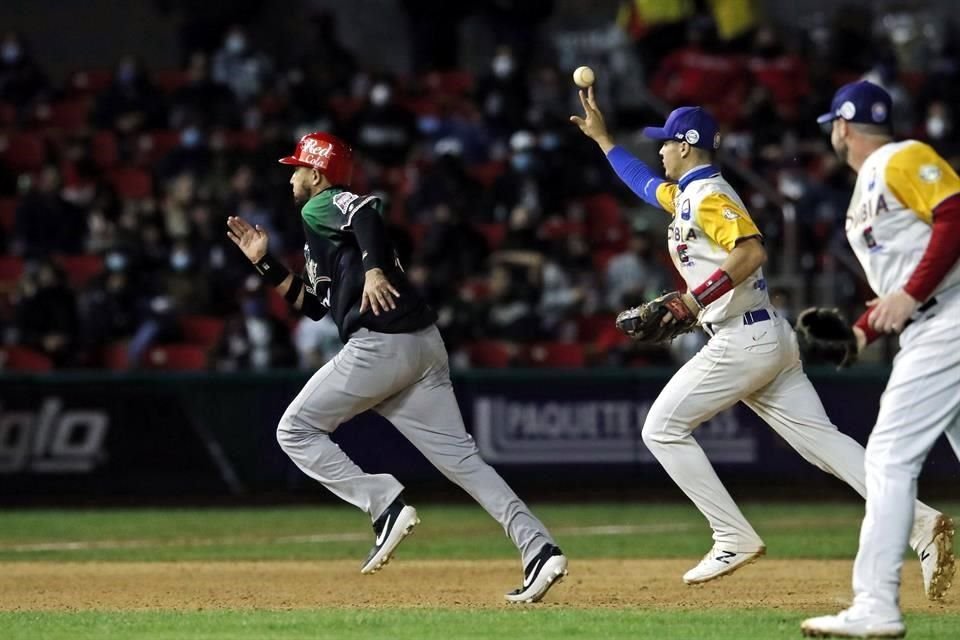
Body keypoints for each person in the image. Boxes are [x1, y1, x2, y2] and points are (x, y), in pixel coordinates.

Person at [570, 88, 954, 593]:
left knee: (661, 430)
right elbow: (644, 184)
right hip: (762, 336)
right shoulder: (688, 192)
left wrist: (692, 300)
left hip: (741, 339)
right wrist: (603, 140)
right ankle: (923, 523)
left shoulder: (710, 195)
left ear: (686, 146)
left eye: (664, 142)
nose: (658, 150)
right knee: (829, 447)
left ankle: (731, 534)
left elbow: (751, 251)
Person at [226, 132, 567, 603]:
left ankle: (383, 504)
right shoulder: (323, 234)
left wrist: (374, 269)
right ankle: (540, 549)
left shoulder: (319, 206)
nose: (292, 174)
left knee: (295, 430)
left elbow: (367, 210)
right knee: (464, 462)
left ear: (318, 175)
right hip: (423, 347)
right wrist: (265, 265)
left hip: (381, 346)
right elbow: (313, 308)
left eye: (298, 167)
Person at [801, 81, 960, 639]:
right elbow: (896, 292)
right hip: (931, 325)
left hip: (949, 321)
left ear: (842, 126)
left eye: (832, 128)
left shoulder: (901, 156)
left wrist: (911, 296)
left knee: (888, 457)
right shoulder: (866, 193)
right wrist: (860, 334)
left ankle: (875, 605)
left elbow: (956, 215)